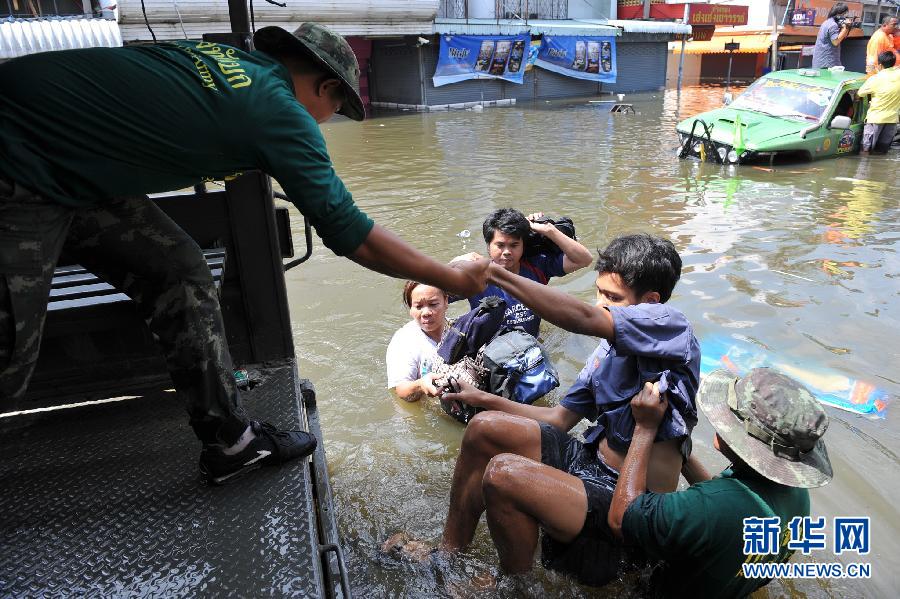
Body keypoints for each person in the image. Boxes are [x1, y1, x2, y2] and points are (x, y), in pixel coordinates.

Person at [0, 23, 489, 485]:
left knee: (179, 272)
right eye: (336, 109)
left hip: (72, 171)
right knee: (9, 355)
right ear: (324, 87)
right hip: (17, 155)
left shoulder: (230, 63)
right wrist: (453, 278)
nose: (326, 121)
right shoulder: (279, 111)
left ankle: (231, 443)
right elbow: (351, 234)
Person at [395, 234, 702, 585]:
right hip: (590, 461)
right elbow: (560, 419)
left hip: (632, 501)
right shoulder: (608, 351)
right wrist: (481, 399)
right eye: (599, 293)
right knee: (484, 428)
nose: (601, 304)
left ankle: (513, 584)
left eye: (613, 298)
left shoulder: (672, 326)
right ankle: (449, 552)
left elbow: (583, 316)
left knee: (504, 474)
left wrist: (493, 273)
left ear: (651, 303)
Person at [608, 368, 833, 598]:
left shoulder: (711, 509)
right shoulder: (797, 498)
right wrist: (679, 447)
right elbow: (724, 505)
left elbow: (621, 518)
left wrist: (645, 428)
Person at [456, 208, 592, 337]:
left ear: (523, 246)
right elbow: (437, 292)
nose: (507, 252)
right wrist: (455, 263)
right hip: (489, 352)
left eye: (514, 245)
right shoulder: (476, 275)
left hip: (531, 345)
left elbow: (584, 260)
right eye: (500, 245)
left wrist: (549, 230)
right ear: (488, 246)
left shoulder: (538, 266)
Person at [386, 281, 450, 402]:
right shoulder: (403, 341)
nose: (426, 313)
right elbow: (401, 390)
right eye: (418, 307)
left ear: (446, 301)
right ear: (410, 309)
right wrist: (420, 385)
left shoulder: (460, 329)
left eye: (433, 304)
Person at [857, 51, 900, 155]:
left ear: (880, 65)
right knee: (882, 151)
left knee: (865, 150)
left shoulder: (875, 79)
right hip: (892, 120)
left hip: (875, 119)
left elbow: (860, 93)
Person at [812, 2, 853, 69]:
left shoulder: (826, 22)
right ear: (840, 13)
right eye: (845, 14)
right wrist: (846, 27)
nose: (845, 17)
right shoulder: (833, 25)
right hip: (827, 64)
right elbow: (835, 42)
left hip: (821, 62)